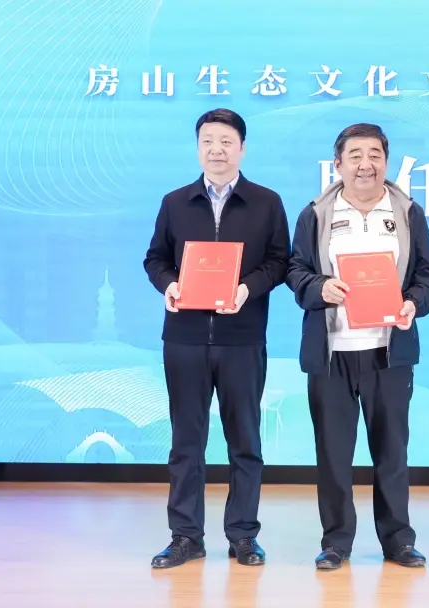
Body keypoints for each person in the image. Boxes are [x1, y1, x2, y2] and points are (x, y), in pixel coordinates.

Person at [285, 123, 429, 571]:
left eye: (375, 155)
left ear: (386, 162)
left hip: (389, 351)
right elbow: (295, 270)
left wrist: (413, 303)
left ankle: (398, 541)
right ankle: (336, 542)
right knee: (333, 454)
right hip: (331, 352)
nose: (365, 164)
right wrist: (320, 287)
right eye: (355, 155)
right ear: (338, 164)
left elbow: (428, 275)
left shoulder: (407, 212)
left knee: (392, 453)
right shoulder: (316, 214)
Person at [143, 108, 290, 569]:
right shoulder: (175, 202)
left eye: (226, 141)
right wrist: (169, 284)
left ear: (242, 148)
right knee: (186, 441)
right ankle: (185, 536)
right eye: (207, 141)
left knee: (244, 440)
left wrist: (247, 289)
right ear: (197, 148)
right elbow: (155, 259)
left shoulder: (266, 202)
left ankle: (243, 535)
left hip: (242, 338)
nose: (216, 150)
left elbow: (280, 262)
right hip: (184, 338)